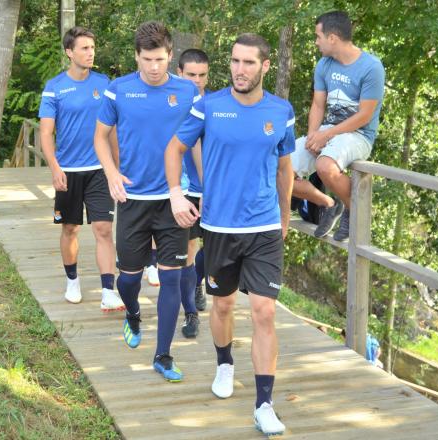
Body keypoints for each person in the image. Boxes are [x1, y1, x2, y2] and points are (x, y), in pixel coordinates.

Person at [165, 33, 295, 436]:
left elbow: (285, 170)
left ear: (265, 67)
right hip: (219, 226)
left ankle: (264, 404)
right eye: (235, 61)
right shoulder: (209, 106)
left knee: (264, 311)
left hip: (264, 227)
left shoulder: (282, 111)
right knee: (222, 307)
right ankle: (224, 364)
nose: (240, 70)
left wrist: (285, 218)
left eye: (249, 63)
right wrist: (174, 195)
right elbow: (174, 149)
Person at [94, 21, 199, 382]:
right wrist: (110, 173)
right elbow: (100, 138)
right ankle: (133, 313)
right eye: (146, 59)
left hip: (175, 199)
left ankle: (163, 355)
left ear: (171, 55)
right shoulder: (118, 89)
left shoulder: (188, 92)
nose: (153, 67)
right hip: (133, 198)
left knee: (171, 280)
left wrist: (207, 187)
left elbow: (198, 143)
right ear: (136, 57)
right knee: (129, 279)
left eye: (160, 59)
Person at [38, 26, 124, 312]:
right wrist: (54, 168)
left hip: (99, 169)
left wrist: (116, 167)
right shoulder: (54, 87)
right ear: (69, 52)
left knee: (102, 228)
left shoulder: (105, 83)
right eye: (84, 48)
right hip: (68, 171)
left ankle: (108, 290)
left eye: (92, 47)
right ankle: (72, 280)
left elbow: (111, 131)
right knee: (71, 228)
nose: (90, 53)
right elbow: (47, 133)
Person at [290, 11, 385, 241]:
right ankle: (331, 204)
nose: (316, 41)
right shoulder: (324, 64)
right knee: (278, 168)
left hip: (358, 135)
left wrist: (327, 135)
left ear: (332, 38)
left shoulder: (371, 67)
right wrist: (314, 134)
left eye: (318, 36)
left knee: (325, 166)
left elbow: (365, 115)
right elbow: (318, 104)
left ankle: (354, 210)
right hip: (327, 131)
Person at [176, 48, 210, 338]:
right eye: (191, 75)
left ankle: (197, 282)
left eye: (202, 75)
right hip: (184, 190)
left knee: (210, 252)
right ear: (179, 73)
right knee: (188, 250)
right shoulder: (173, 103)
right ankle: (190, 313)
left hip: (212, 190)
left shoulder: (215, 105)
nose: (197, 81)